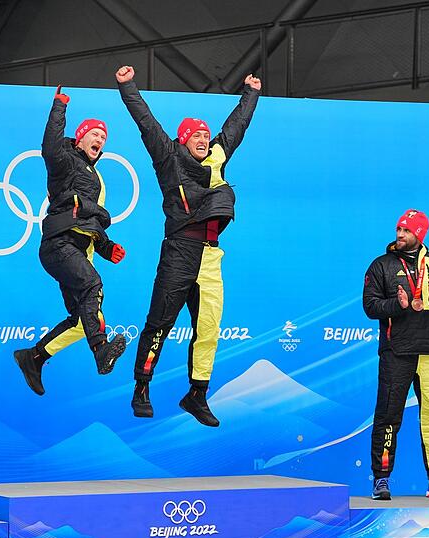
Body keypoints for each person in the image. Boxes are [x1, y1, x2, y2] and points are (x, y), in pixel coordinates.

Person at [115, 65, 260, 427]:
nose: (203, 138)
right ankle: (142, 386)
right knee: (160, 322)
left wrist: (251, 93)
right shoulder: (169, 157)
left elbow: (235, 128)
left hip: (210, 255)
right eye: (196, 134)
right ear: (183, 140)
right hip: (180, 249)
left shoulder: (217, 157)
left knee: (209, 327)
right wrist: (127, 86)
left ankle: (197, 394)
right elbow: (146, 122)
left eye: (205, 135)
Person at [14, 85, 127, 396]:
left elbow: (89, 222)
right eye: (95, 134)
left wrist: (106, 247)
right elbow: (49, 147)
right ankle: (101, 351)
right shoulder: (64, 161)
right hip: (59, 244)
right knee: (93, 286)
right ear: (80, 138)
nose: (100, 140)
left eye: (104, 138)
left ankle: (34, 357)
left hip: (76, 247)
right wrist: (59, 107)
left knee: (81, 320)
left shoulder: (96, 177)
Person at [363, 209, 429, 500]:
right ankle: (381, 479)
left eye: (406, 231)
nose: (400, 234)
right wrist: (398, 304)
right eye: (398, 229)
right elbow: (370, 307)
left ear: (419, 234)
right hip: (397, 352)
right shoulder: (381, 265)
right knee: (388, 416)